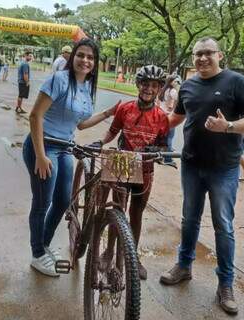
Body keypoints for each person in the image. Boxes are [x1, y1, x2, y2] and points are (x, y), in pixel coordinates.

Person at [159, 37, 244, 315]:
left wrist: (227, 126)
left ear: (220, 55)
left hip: (224, 168)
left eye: (208, 53)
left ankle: (225, 284)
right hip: (192, 164)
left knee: (223, 226)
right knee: (189, 219)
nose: (202, 58)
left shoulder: (236, 82)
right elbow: (176, 119)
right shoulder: (188, 86)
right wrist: (145, 126)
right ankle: (184, 266)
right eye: (197, 54)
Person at [23, 38, 119, 277]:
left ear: (95, 64)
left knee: (63, 201)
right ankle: (37, 254)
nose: (85, 60)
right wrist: (40, 155)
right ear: (73, 56)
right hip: (44, 146)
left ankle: (43, 245)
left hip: (65, 148)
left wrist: (108, 113)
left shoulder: (86, 88)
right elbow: (35, 117)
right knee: (42, 203)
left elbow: (81, 124)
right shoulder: (59, 80)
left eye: (90, 57)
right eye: (81, 55)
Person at [94, 65, 169, 280]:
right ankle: (109, 252)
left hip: (145, 169)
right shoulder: (125, 109)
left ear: (158, 89)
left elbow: (164, 145)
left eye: (153, 85)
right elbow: (112, 131)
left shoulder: (162, 117)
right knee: (118, 209)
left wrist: (157, 150)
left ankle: (132, 257)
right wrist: (100, 142)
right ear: (138, 85)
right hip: (122, 163)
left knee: (136, 214)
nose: (148, 89)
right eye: (145, 84)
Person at [158, 74, 181, 168]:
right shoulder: (173, 91)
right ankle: (167, 159)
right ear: (171, 81)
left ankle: (159, 156)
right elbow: (180, 99)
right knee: (169, 138)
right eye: (175, 81)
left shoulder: (164, 89)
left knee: (162, 138)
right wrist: (177, 88)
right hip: (168, 116)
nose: (177, 83)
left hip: (161, 115)